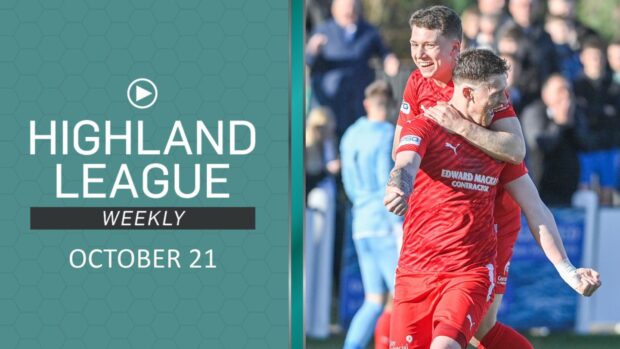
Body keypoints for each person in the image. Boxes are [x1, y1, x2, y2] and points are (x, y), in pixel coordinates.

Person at [385, 48, 601, 349]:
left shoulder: (501, 148)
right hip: (415, 270)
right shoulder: (426, 125)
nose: (504, 101)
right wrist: (399, 186)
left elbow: (535, 207)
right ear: (469, 93)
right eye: (497, 92)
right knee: (484, 332)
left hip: (471, 270)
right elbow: (405, 162)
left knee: (447, 345)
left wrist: (569, 271)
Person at [387, 6, 525, 349]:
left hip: (488, 221)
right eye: (414, 43)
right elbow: (401, 150)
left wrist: (460, 127)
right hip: (434, 226)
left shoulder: (483, 82)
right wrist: (402, 182)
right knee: (479, 331)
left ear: (455, 48)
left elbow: (515, 149)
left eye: (429, 45)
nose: (419, 53)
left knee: (476, 329)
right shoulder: (417, 82)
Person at [339, 80, 401, 349]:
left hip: (360, 222)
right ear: (390, 105)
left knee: (374, 300)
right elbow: (387, 183)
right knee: (403, 297)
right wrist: (398, 223)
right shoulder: (388, 134)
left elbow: (349, 183)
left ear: (367, 104)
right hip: (384, 224)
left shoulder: (350, 134)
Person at [306, 0, 399, 137]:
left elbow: (385, 53)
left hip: (357, 103)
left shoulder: (369, 31)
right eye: (344, 7)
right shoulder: (322, 31)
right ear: (334, 10)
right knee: (327, 148)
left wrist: (390, 61)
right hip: (329, 105)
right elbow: (307, 61)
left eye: (352, 7)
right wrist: (312, 51)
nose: (349, 11)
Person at [520, 74, 589, 205]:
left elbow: (585, 144)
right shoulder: (534, 111)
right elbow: (538, 144)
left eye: (568, 90)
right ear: (545, 94)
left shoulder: (575, 113)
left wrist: (570, 123)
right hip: (541, 187)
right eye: (560, 90)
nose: (565, 95)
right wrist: (559, 124)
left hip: (568, 189)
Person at [305, 107, 340, 339]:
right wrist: (328, 170)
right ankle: (306, 324)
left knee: (321, 268)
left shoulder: (327, 144)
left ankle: (318, 325)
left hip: (324, 210)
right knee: (307, 268)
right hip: (310, 213)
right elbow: (308, 178)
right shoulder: (308, 148)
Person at [573, 37, 620, 205]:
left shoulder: (613, 86)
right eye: (592, 57)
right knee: (585, 191)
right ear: (582, 58)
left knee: (608, 191)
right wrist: (603, 112)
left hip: (609, 147)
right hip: (584, 148)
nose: (596, 62)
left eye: (599, 57)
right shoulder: (576, 86)